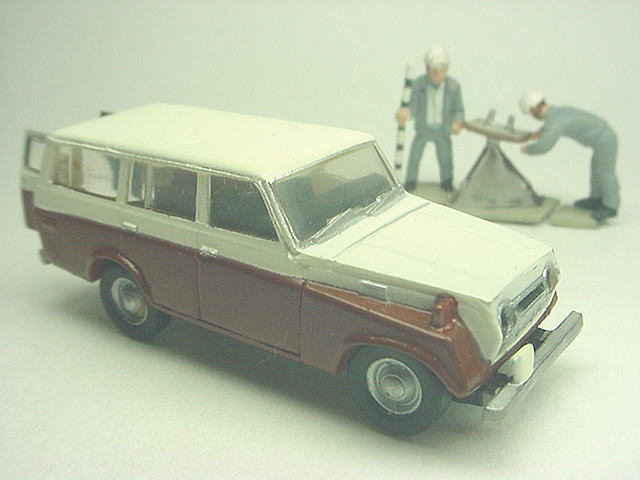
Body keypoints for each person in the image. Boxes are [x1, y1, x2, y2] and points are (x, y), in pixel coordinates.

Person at [519, 91, 620, 222]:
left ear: (534, 110)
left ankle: (611, 205)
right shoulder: (558, 112)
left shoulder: (555, 120)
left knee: (604, 173)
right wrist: (539, 133)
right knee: (596, 170)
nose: (532, 117)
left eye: (531, 114)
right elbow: (551, 127)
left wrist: (527, 149)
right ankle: (596, 199)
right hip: (603, 137)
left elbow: (544, 145)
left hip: (605, 140)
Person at [396, 45, 464, 192]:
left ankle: (447, 182)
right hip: (423, 129)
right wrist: (405, 114)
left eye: (442, 70)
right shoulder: (418, 84)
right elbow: (412, 106)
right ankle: (411, 182)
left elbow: (458, 109)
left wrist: (457, 121)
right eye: (435, 71)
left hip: (443, 130)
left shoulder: (453, 86)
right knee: (415, 156)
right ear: (427, 69)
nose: (439, 74)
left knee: (446, 158)